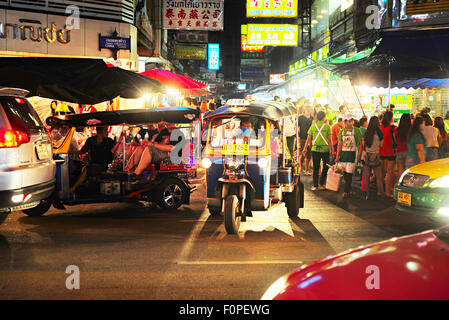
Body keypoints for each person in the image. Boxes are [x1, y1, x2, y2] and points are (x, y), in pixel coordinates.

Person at [70, 126, 124, 194]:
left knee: (87, 169)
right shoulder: (90, 140)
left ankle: (73, 188)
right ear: (100, 131)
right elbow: (82, 151)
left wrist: (119, 141)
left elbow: (112, 151)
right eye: (105, 130)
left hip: (103, 165)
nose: (107, 132)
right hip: (93, 164)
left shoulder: (108, 141)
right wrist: (70, 152)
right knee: (78, 167)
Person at [335, 113, 363, 198]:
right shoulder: (341, 132)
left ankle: (346, 191)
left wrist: (359, 156)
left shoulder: (357, 130)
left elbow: (361, 144)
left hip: (352, 156)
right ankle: (348, 189)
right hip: (343, 156)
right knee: (345, 175)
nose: (350, 123)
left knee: (349, 174)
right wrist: (337, 156)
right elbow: (339, 145)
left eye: (351, 121)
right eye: (348, 121)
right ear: (344, 122)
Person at [304, 111, 332, 191]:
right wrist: (332, 149)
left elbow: (308, 138)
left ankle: (315, 185)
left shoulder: (313, 127)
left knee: (316, 168)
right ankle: (322, 183)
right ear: (324, 118)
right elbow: (330, 140)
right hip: (325, 149)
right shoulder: (327, 127)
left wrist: (305, 148)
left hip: (315, 149)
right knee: (326, 167)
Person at [361, 116, 384, 200]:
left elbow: (364, 145)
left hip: (367, 156)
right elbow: (381, 145)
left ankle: (368, 195)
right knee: (379, 177)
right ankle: (381, 195)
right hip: (376, 156)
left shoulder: (367, 133)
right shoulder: (380, 133)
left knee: (366, 176)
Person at [379, 111, 396, 199]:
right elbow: (395, 140)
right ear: (391, 118)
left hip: (381, 152)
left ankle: (380, 191)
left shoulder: (380, 127)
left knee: (381, 173)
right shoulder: (393, 128)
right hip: (390, 152)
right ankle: (388, 192)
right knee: (389, 173)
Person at [395, 113, 412, 182]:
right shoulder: (411, 130)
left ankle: (400, 186)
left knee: (400, 173)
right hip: (409, 152)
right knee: (408, 172)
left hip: (399, 151)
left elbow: (396, 140)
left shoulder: (397, 130)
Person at [298, 105, 314, 175]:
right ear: (305, 111)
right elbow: (297, 128)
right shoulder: (300, 118)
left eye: (310, 110)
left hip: (310, 139)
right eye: (308, 110)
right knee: (302, 153)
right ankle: (300, 168)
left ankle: (306, 170)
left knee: (309, 155)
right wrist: (298, 137)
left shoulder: (312, 118)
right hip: (302, 138)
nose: (309, 112)